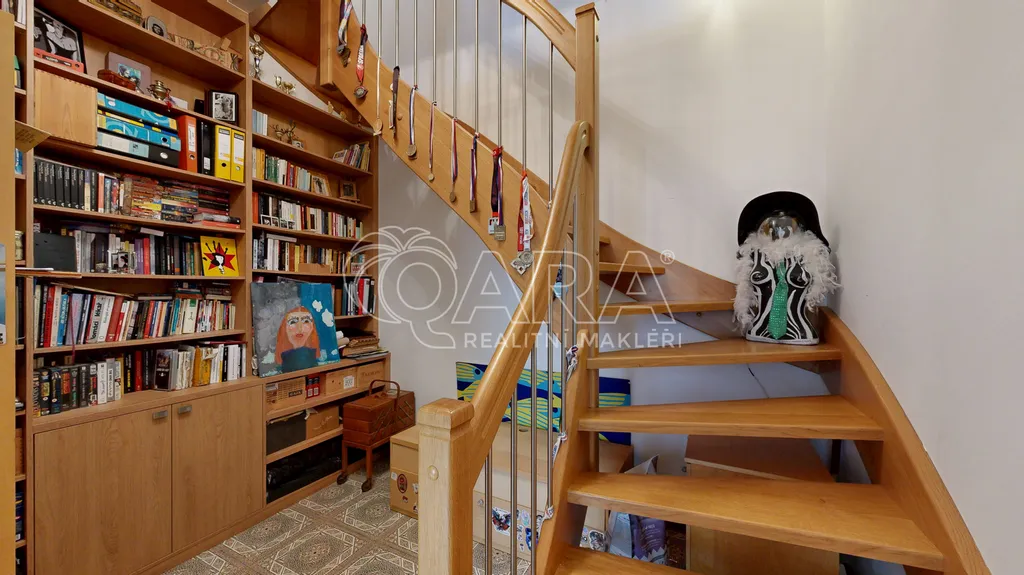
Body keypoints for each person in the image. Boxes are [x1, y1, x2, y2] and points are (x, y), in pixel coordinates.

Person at [275, 306, 320, 372]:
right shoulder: (279, 366)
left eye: (306, 321)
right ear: (285, 327)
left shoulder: (315, 359)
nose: (300, 328)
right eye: (293, 322)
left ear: (312, 327)